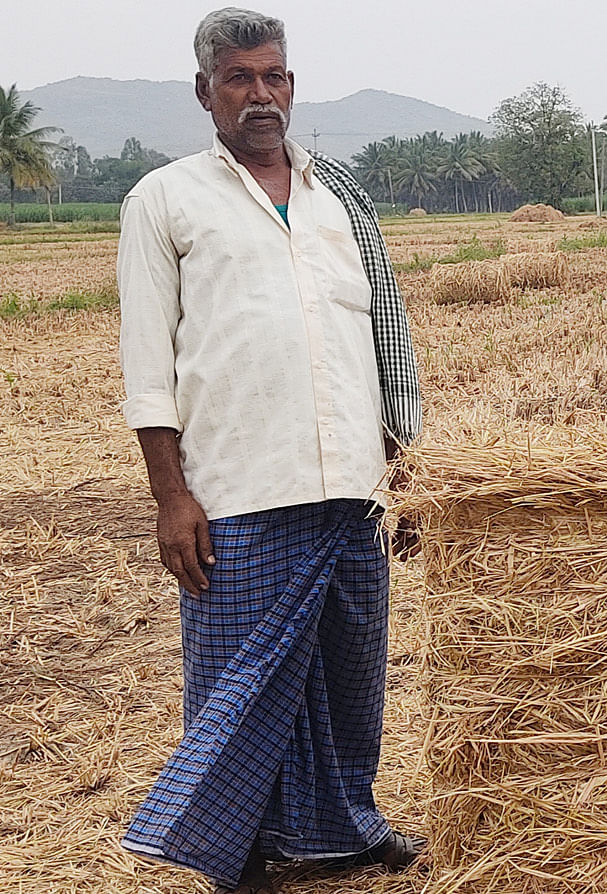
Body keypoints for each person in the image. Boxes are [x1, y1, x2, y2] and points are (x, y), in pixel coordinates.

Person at [115, 8, 424, 892]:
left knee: (348, 681)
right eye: (241, 79)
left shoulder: (342, 200)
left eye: (274, 77)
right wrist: (171, 497)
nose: (261, 96)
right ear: (205, 91)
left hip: (352, 486)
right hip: (238, 488)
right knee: (237, 688)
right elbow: (147, 365)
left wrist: (405, 466)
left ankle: (339, 834)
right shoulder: (165, 199)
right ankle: (239, 853)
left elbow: (383, 343)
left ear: (292, 85)